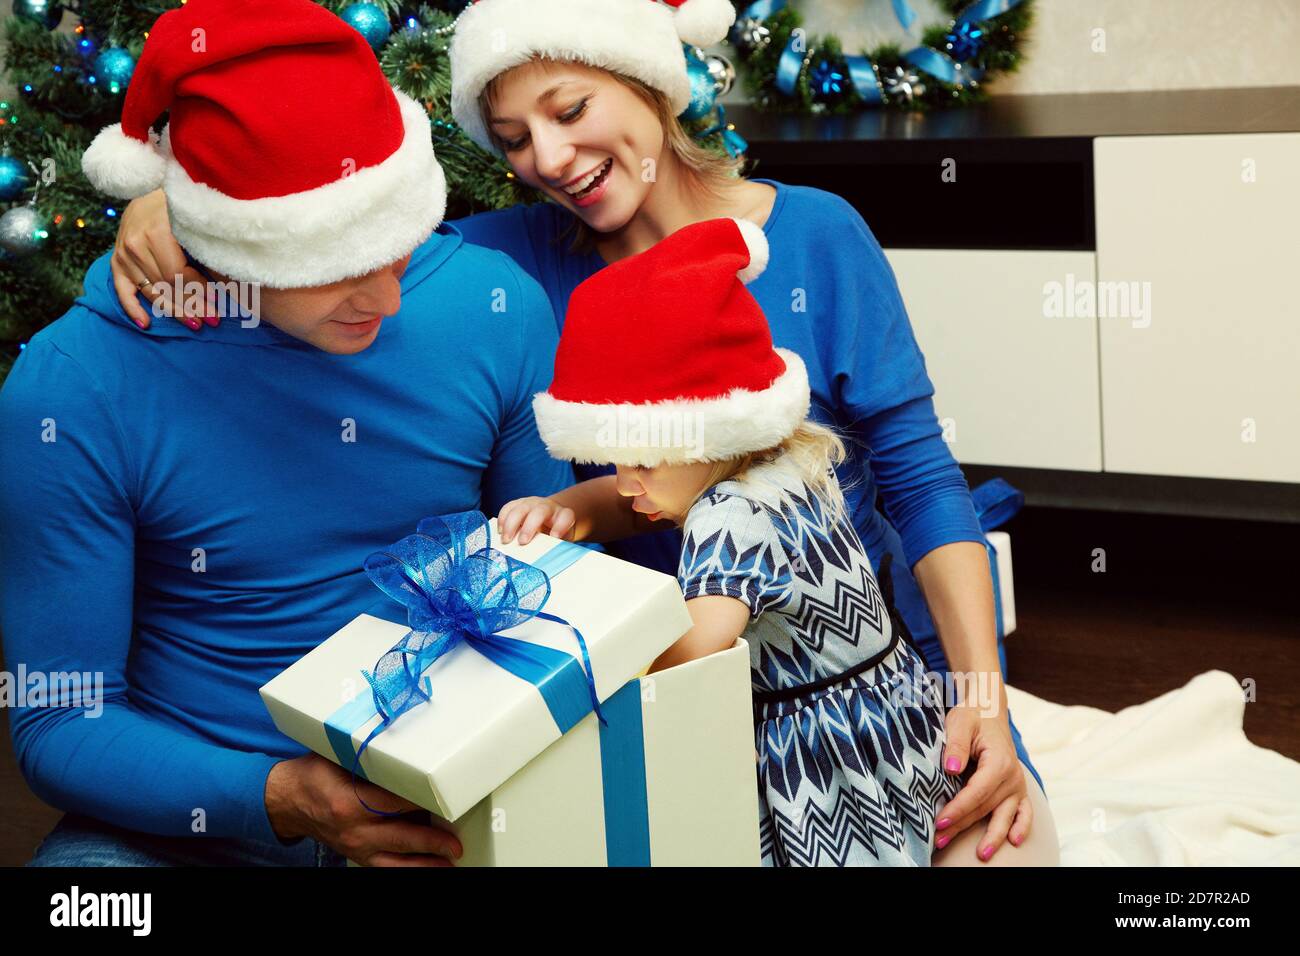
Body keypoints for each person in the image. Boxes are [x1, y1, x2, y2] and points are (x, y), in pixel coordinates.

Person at [107, 0, 1058, 864]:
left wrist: (982, 699)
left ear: (649, 83)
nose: (548, 161)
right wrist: (182, 204)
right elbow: (330, 234)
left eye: (570, 112)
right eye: (515, 139)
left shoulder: (817, 235)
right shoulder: (503, 266)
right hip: (680, 713)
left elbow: (925, 485)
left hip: (876, 670)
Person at [0, 0, 573, 867]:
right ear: (224, 239)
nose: (384, 300)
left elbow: (548, 586)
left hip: (453, 795)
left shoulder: (490, 304)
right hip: (182, 819)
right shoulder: (76, 384)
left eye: (397, 248)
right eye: (332, 271)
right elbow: (60, 720)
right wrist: (276, 799)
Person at [498, 218, 963, 865]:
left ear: (707, 436)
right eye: (614, 459)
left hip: (821, 746)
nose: (626, 481)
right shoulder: (786, 460)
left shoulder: (727, 515)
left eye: (642, 461)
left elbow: (700, 642)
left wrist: (606, 660)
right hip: (888, 707)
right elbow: (636, 506)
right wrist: (561, 511)